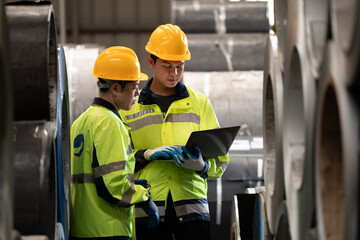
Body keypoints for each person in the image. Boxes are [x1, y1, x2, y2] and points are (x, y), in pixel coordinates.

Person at [119, 24, 230, 240]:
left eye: (180, 66)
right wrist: (144, 155)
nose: (174, 74)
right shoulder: (130, 108)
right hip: (149, 205)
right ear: (151, 62)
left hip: (193, 209)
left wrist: (202, 166)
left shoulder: (200, 103)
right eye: (167, 66)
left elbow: (222, 160)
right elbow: (117, 162)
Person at [70, 46, 160, 240]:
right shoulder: (110, 122)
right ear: (116, 88)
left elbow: (95, 177)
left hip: (82, 228)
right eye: (134, 86)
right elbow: (113, 187)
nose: (137, 93)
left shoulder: (80, 122)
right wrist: (143, 195)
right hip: (108, 229)